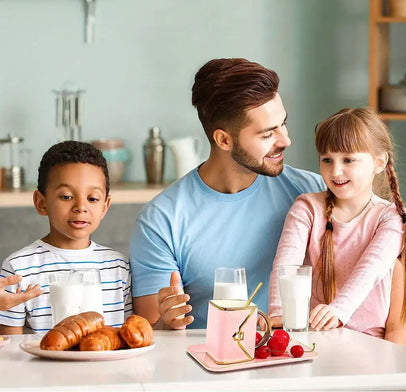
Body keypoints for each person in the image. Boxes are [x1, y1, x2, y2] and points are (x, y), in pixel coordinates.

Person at [130, 58, 325, 329]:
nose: (285, 140)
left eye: (283, 124)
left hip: (302, 358)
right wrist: (165, 323)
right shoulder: (161, 221)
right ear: (223, 139)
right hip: (207, 367)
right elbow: (151, 335)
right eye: (268, 134)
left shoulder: (313, 193)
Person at [268, 107, 406, 346]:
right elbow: (286, 264)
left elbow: (369, 271)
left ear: (379, 162)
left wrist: (338, 311)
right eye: (327, 160)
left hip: (370, 349)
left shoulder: (392, 218)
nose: (335, 171)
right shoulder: (306, 208)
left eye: (348, 160)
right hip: (313, 343)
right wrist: (277, 312)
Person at [0, 141, 132, 335]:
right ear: (41, 203)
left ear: (105, 205)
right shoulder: (18, 269)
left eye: (93, 198)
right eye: (66, 196)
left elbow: (129, 337)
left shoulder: (118, 266)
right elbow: (10, 352)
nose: (81, 206)